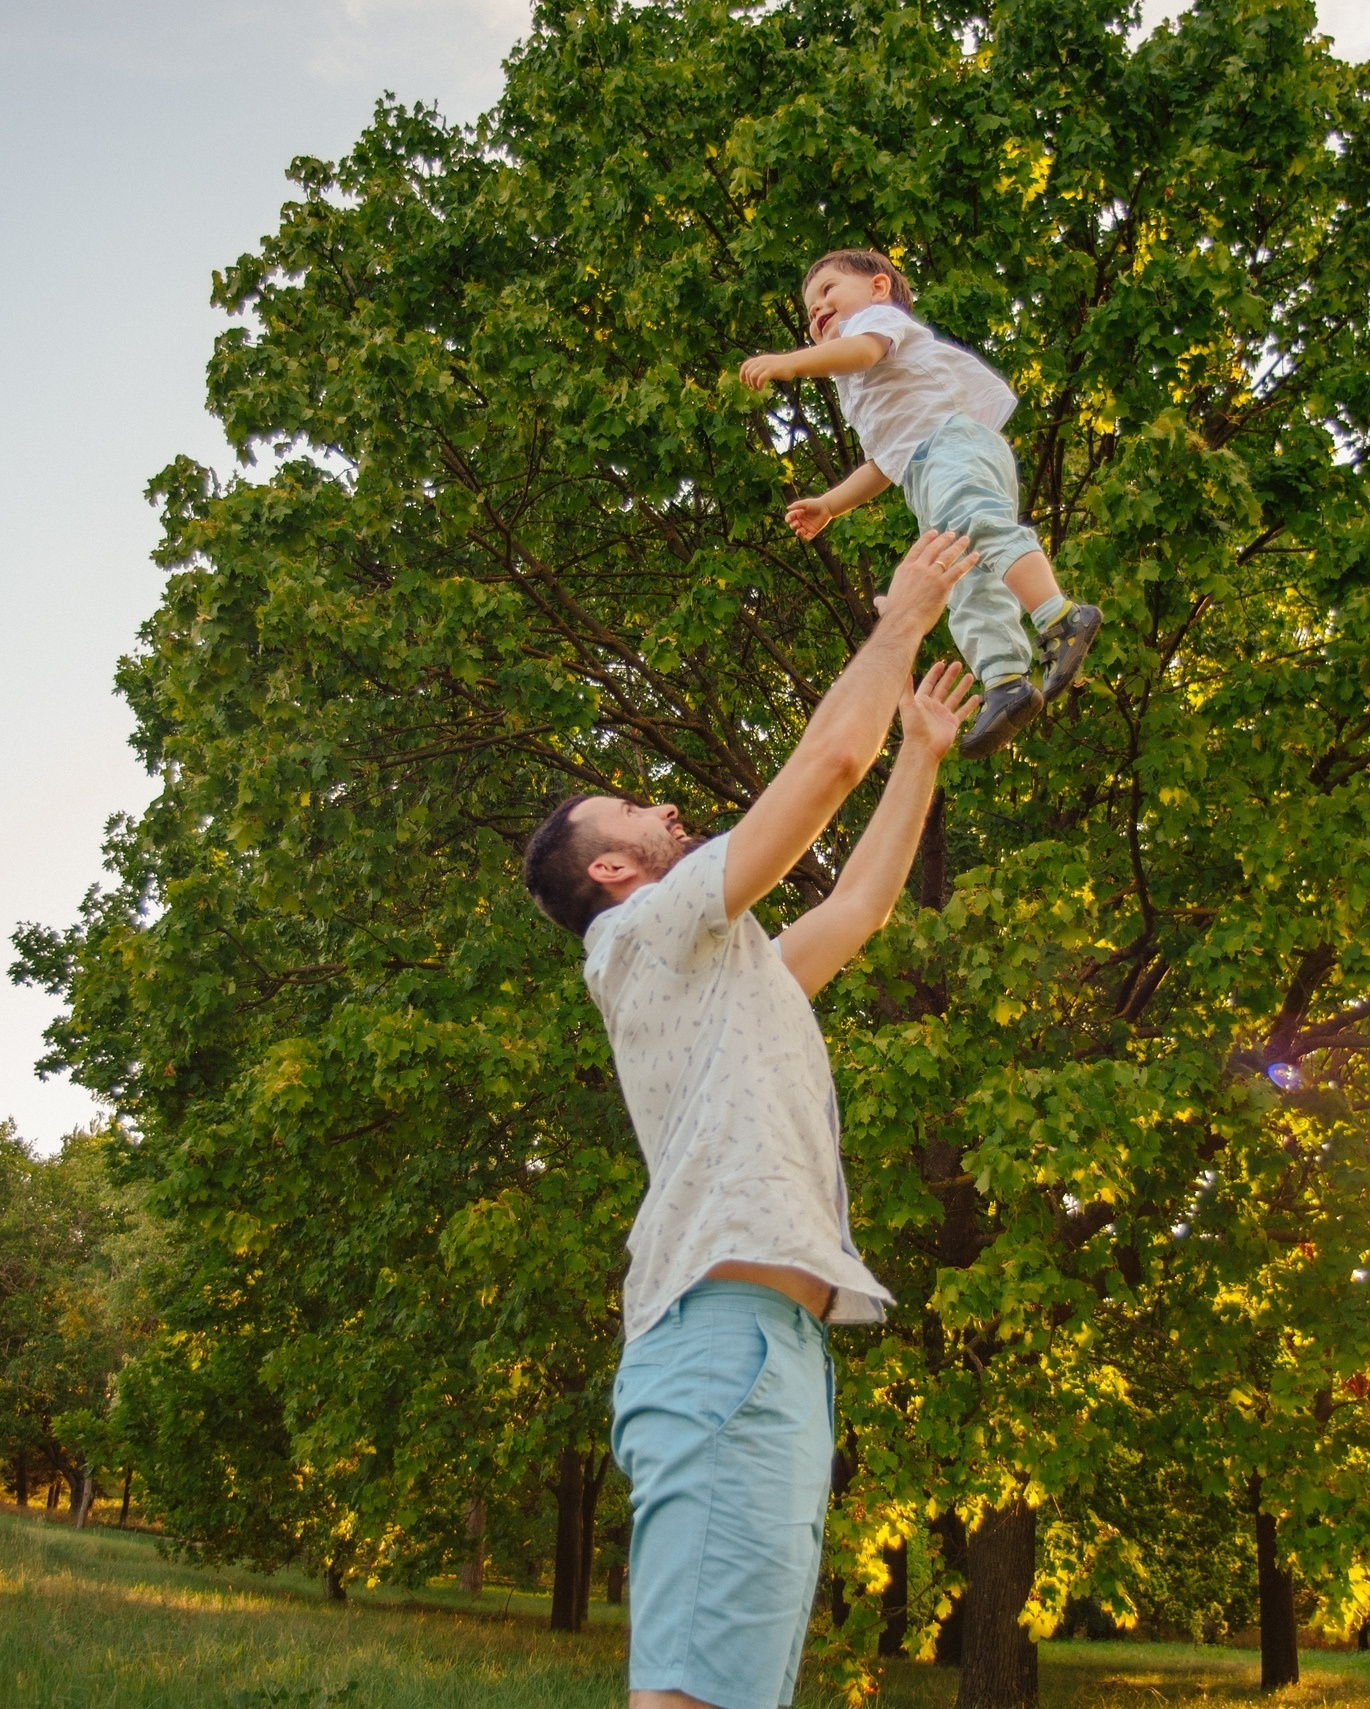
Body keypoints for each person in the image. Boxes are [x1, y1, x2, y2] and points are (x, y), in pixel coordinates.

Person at [520, 529, 983, 1709]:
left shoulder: (721, 970)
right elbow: (825, 763)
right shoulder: (643, 933)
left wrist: (921, 754)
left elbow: (858, 906)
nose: (664, 804)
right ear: (611, 872)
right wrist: (902, 617)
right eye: (635, 806)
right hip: (722, 1342)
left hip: (772, 1351)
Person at [739, 248, 1101, 759]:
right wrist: (831, 505)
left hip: (953, 443)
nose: (816, 307)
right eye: (808, 307)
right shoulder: (858, 387)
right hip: (923, 470)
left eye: (827, 289)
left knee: (978, 525)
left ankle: (1059, 616)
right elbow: (884, 462)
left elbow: (861, 351)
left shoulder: (877, 324)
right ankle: (1005, 680)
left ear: (878, 288)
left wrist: (790, 363)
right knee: (961, 576)